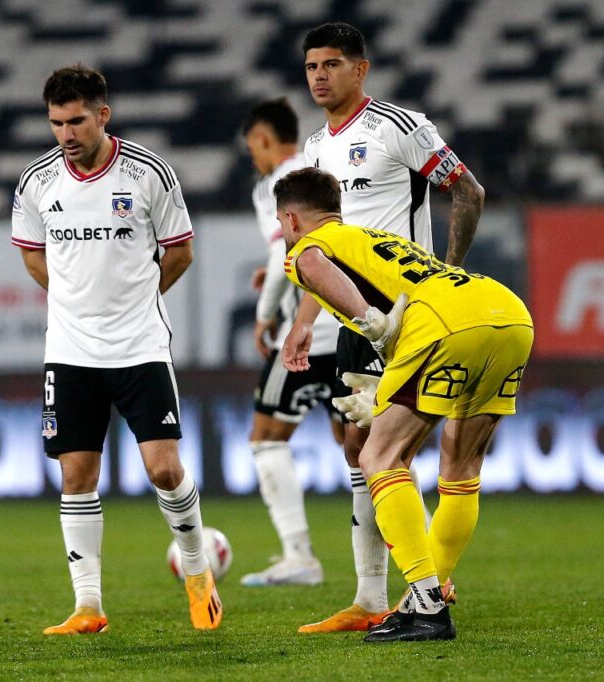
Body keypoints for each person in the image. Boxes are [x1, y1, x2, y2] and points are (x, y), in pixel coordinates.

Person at [286, 21, 486, 634]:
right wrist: (304, 321)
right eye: (312, 66)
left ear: (360, 69)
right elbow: (322, 250)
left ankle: (420, 587)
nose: (320, 76)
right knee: (359, 447)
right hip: (355, 318)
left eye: (332, 65)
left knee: (392, 448)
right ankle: (374, 598)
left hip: (407, 316)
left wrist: (446, 276)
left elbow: (468, 192)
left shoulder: (399, 128)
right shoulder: (316, 148)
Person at [274, 166, 532, 641]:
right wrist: (385, 393)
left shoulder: (307, 247)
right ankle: (428, 593)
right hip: (507, 312)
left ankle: (428, 609)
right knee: (460, 466)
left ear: (291, 220)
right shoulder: (373, 237)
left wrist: (369, 322)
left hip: (443, 324)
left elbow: (310, 264)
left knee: (378, 456)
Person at [12, 64, 222, 634]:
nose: (65, 134)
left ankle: (199, 575)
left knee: (163, 468)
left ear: (102, 115)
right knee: (76, 474)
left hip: (139, 346)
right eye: (56, 123)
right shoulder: (36, 181)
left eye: (76, 121)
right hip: (70, 350)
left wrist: (136, 300)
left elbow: (180, 252)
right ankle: (88, 606)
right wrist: (74, 302)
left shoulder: (148, 172)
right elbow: (32, 254)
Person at [239, 99, 343, 587]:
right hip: (352, 325)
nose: (254, 160)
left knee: (265, 439)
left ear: (262, 139)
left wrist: (264, 316)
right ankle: (410, 569)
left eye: (253, 149)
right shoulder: (323, 171)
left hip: (307, 330)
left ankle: (299, 556)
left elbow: (289, 247)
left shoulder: (275, 186)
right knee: (367, 454)